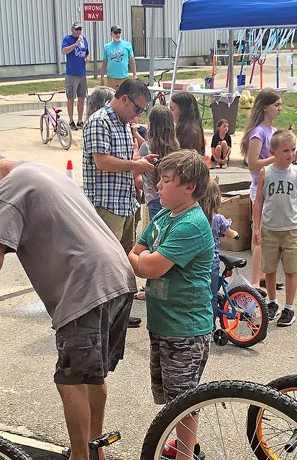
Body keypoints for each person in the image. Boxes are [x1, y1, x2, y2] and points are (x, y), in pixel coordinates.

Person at [0, 150, 136, 460]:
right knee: (91, 375)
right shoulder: (41, 171)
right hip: (117, 277)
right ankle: (95, 448)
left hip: (85, 286)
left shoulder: (10, 189)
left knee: (71, 380)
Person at [128, 150, 214, 460]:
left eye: (165, 181)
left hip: (186, 328)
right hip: (163, 323)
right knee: (170, 395)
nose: (158, 187)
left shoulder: (191, 224)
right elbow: (137, 250)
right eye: (159, 180)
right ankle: (185, 442)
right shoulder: (164, 216)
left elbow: (147, 265)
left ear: (188, 187)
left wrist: (143, 258)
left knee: (183, 400)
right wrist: (143, 256)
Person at [82, 77, 155, 286]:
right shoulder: (99, 121)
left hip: (125, 205)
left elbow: (121, 160)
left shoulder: (124, 124)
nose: (138, 114)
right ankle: (106, 316)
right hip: (106, 206)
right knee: (105, 264)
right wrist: (136, 166)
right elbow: (102, 162)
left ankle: (121, 315)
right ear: (124, 99)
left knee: (124, 262)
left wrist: (140, 160)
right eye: (138, 108)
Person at [252, 129, 297, 328]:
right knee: (270, 269)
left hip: (291, 228)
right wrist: (256, 227)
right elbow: (258, 201)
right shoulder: (266, 172)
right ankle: (272, 302)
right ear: (272, 152)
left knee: (291, 270)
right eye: (285, 150)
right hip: (270, 228)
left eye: (293, 149)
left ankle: (289, 308)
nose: (290, 154)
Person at [240, 88, 282, 287]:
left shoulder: (273, 131)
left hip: (273, 187)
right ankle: (256, 281)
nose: (280, 109)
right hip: (260, 188)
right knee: (260, 235)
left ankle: (266, 274)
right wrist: (277, 158)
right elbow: (253, 163)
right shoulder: (258, 133)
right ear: (265, 107)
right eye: (276, 105)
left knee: (270, 235)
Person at [200, 178, 238, 332]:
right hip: (213, 261)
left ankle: (205, 325)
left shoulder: (197, 218)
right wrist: (236, 235)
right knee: (212, 296)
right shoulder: (218, 219)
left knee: (202, 295)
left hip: (200, 261)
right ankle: (211, 327)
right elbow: (230, 234)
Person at [139, 105, 179, 223]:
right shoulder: (176, 146)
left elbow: (136, 171)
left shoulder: (146, 147)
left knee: (157, 235)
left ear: (151, 125)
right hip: (173, 198)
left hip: (154, 199)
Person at [61, 21, 89, 130]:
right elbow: (64, 51)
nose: (78, 31)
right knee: (71, 98)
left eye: (80, 29)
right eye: (76, 29)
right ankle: (71, 120)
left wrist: (87, 57)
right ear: (72, 30)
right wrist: (75, 44)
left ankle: (80, 120)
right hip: (71, 73)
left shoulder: (84, 39)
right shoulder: (67, 39)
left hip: (82, 72)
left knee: (81, 97)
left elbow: (87, 52)